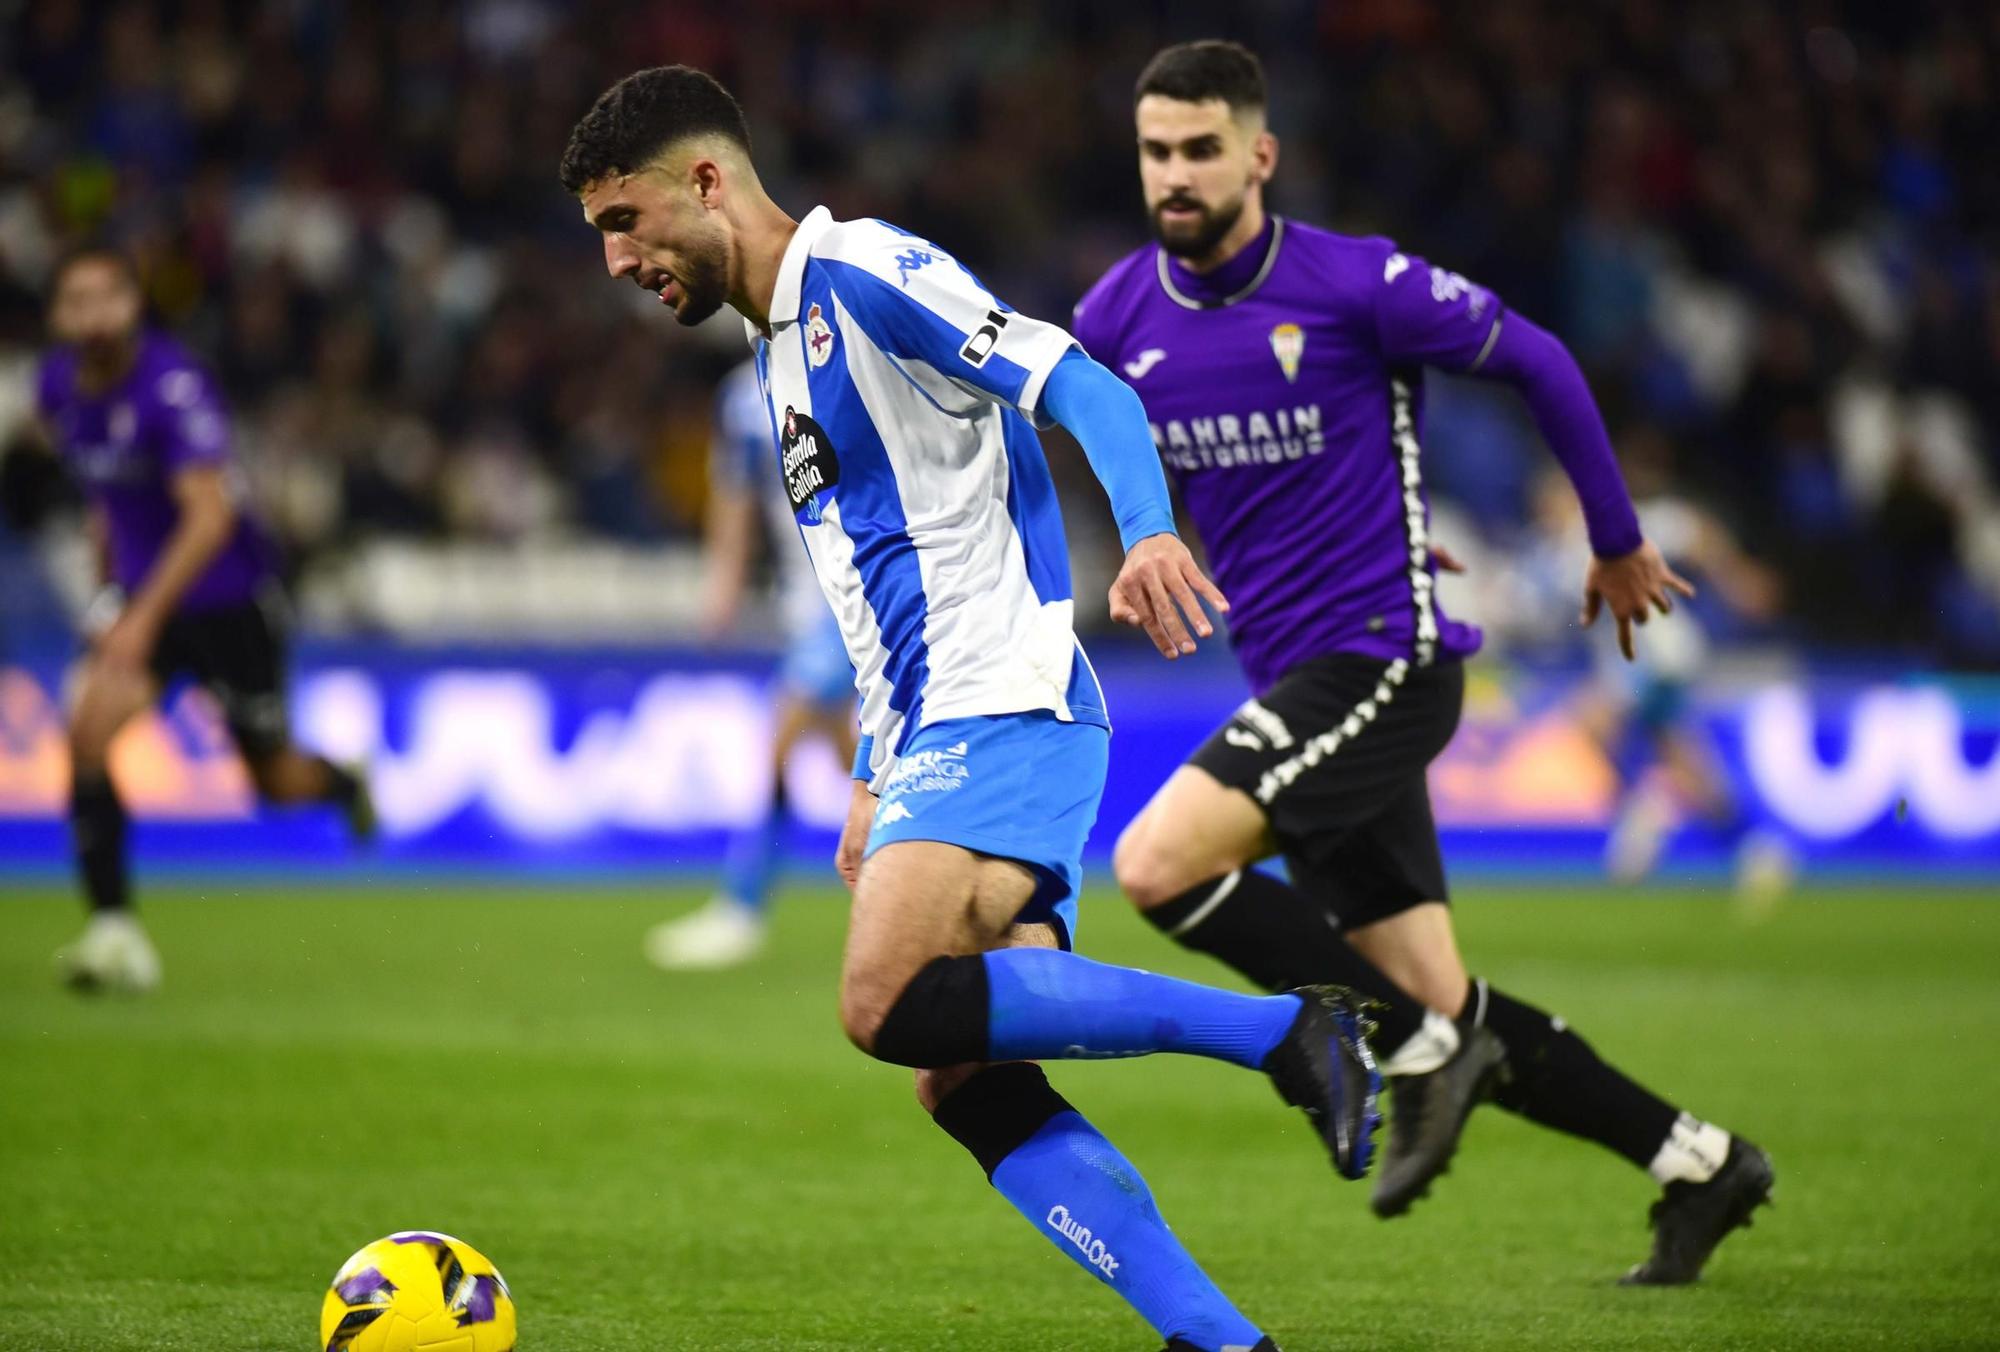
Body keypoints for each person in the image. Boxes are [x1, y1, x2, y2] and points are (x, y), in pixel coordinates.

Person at [562, 65, 1375, 1352]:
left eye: (624, 222)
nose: (614, 260)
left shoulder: (868, 273)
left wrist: (1151, 533)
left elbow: (1086, 387)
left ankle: (1285, 1029)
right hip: (934, 725)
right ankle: (1219, 1339)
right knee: (963, 1076)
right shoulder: (776, 360)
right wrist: (873, 773)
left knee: (880, 1000)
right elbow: (882, 579)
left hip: (1003, 699)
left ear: (706, 182)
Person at [1073, 41, 1773, 1284]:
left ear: (1258, 156)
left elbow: (1540, 360)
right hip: (1284, 681)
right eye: (1154, 152)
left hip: (1381, 659)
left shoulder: (1353, 286)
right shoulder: (1116, 317)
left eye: (1198, 149)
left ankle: (1399, 1050)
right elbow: (1068, 450)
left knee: (1156, 862)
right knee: (1444, 999)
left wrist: (1615, 542)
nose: (1173, 174)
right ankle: (1698, 1160)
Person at [32, 246, 373, 992]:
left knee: (274, 782)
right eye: (74, 300)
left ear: (132, 304)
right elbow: (105, 501)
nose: (90, 315)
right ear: (58, 314)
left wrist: (139, 614)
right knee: (87, 735)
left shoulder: (173, 388)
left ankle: (341, 783)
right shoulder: (56, 385)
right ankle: (113, 932)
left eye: (105, 297)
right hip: (146, 604)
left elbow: (209, 518)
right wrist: (109, 597)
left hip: (229, 604)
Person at [644, 357, 858, 970]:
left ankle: (742, 905)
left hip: (855, 589)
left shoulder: (842, 362)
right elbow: (737, 494)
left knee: (782, 736)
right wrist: (725, 582)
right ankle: (916, 889)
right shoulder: (741, 396)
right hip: (803, 597)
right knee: (855, 756)